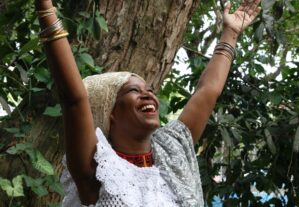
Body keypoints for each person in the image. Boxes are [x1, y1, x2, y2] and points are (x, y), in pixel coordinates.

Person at [35, 0, 261, 206]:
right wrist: (45, 8)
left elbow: (208, 91)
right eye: (133, 91)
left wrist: (230, 32)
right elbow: (74, 100)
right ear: (109, 112)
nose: (148, 96)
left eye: (149, 90)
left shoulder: (172, 152)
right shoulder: (98, 166)